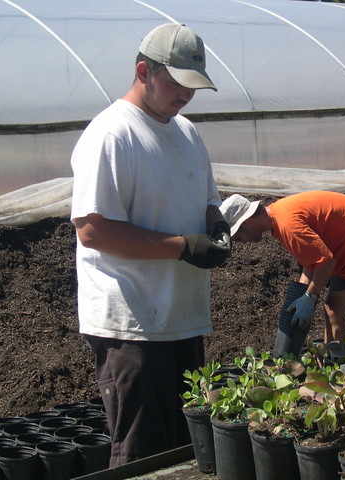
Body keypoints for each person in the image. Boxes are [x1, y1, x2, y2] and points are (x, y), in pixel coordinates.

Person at [70, 23, 231, 466]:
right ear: (143, 71)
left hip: (182, 317)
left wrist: (217, 228)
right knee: (142, 453)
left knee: (187, 449)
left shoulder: (186, 132)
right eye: (177, 84)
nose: (186, 96)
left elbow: (208, 199)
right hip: (131, 325)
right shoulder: (112, 135)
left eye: (193, 87)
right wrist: (182, 246)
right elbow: (94, 230)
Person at [220, 191, 345, 344]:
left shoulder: (287, 225)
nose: (242, 242)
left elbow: (326, 263)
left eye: (238, 237)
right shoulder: (279, 222)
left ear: (246, 222)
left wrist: (310, 296)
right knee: (333, 308)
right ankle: (335, 360)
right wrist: (300, 297)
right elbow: (311, 264)